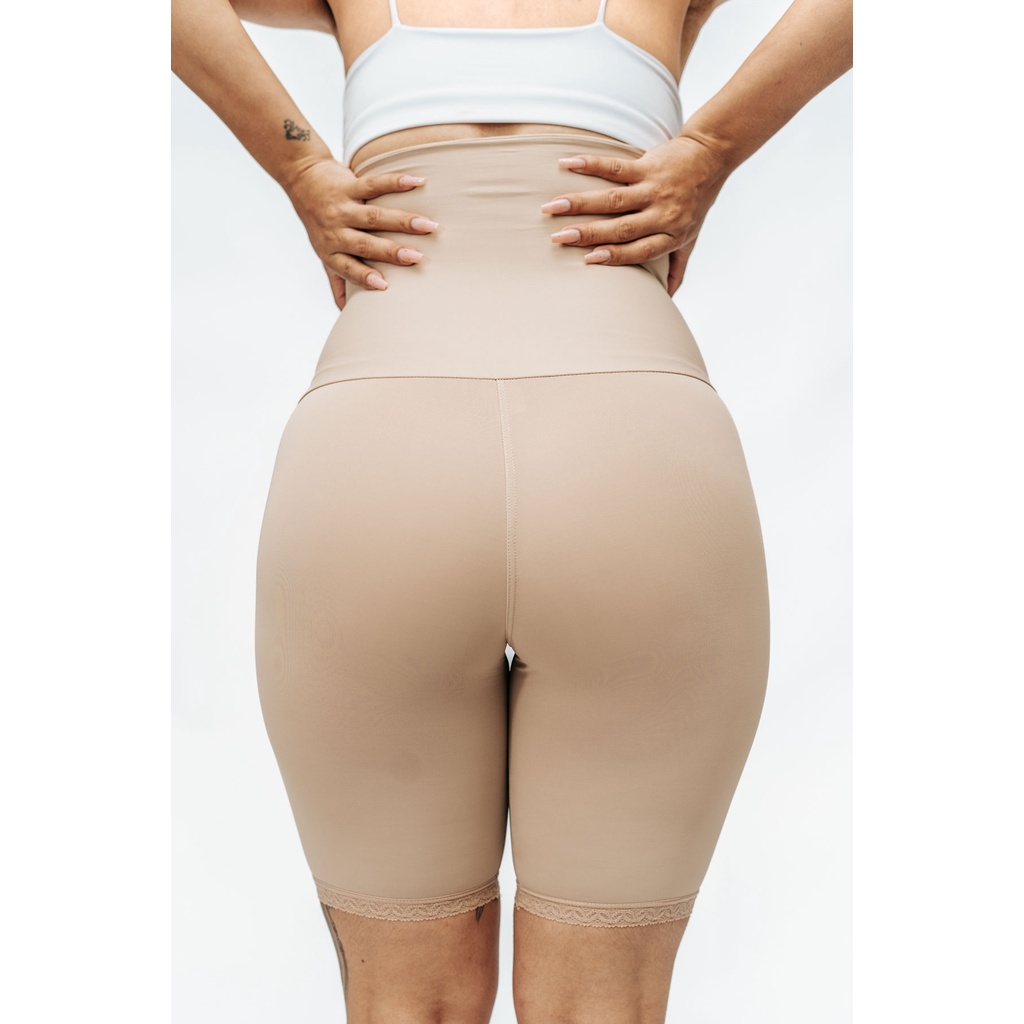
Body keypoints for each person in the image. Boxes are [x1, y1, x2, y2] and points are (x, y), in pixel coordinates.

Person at [172, 0, 853, 1020]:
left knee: (407, 1003)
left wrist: (302, 164)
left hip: (378, 462)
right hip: (636, 460)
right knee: (599, 1005)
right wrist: (711, 146)